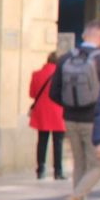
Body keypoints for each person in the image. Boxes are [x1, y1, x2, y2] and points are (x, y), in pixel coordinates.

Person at [59, 20, 100, 200]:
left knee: (79, 164)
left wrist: (70, 108)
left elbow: (54, 92)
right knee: (97, 165)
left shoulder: (66, 58)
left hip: (70, 118)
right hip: (93, 121)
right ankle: (75, 199)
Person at [29, 51, 65, 180]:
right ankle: (58, 171)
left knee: (42, 141)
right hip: (58, 112)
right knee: (58, 143)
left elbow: (32, 94)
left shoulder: (36, 74)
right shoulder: (61, 75)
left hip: (42, 112)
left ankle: (41, 169)